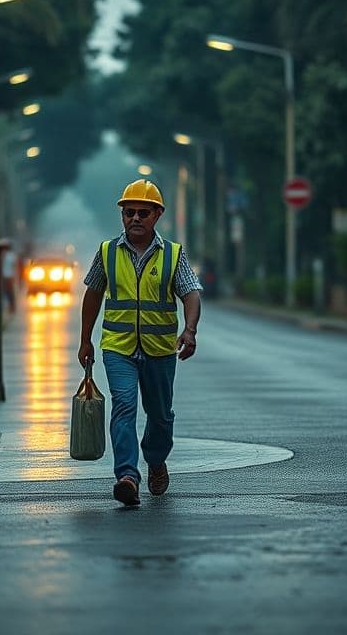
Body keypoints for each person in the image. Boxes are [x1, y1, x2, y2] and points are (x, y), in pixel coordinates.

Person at [76, 178, 202, 506]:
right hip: (118, 347)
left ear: (157, 215)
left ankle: (156, 460)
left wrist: (189, 330)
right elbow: (92, 294)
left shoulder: (173, 254)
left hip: (161, 350)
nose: (135, 218)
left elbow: (190, 293)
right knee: (124, 406)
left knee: (160, 414)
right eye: (129, 212)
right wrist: (85, 339)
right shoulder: (107, 252)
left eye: (143, 213)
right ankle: (127, 476)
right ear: (122, 215)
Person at [2, 245, 18, 314]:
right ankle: (10, 307)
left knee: (9, 292)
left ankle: (12, 307)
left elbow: (14, 266)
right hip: (7, 276)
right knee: (8, 292)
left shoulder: (9, 256)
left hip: (8, 276)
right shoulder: (8, 256)